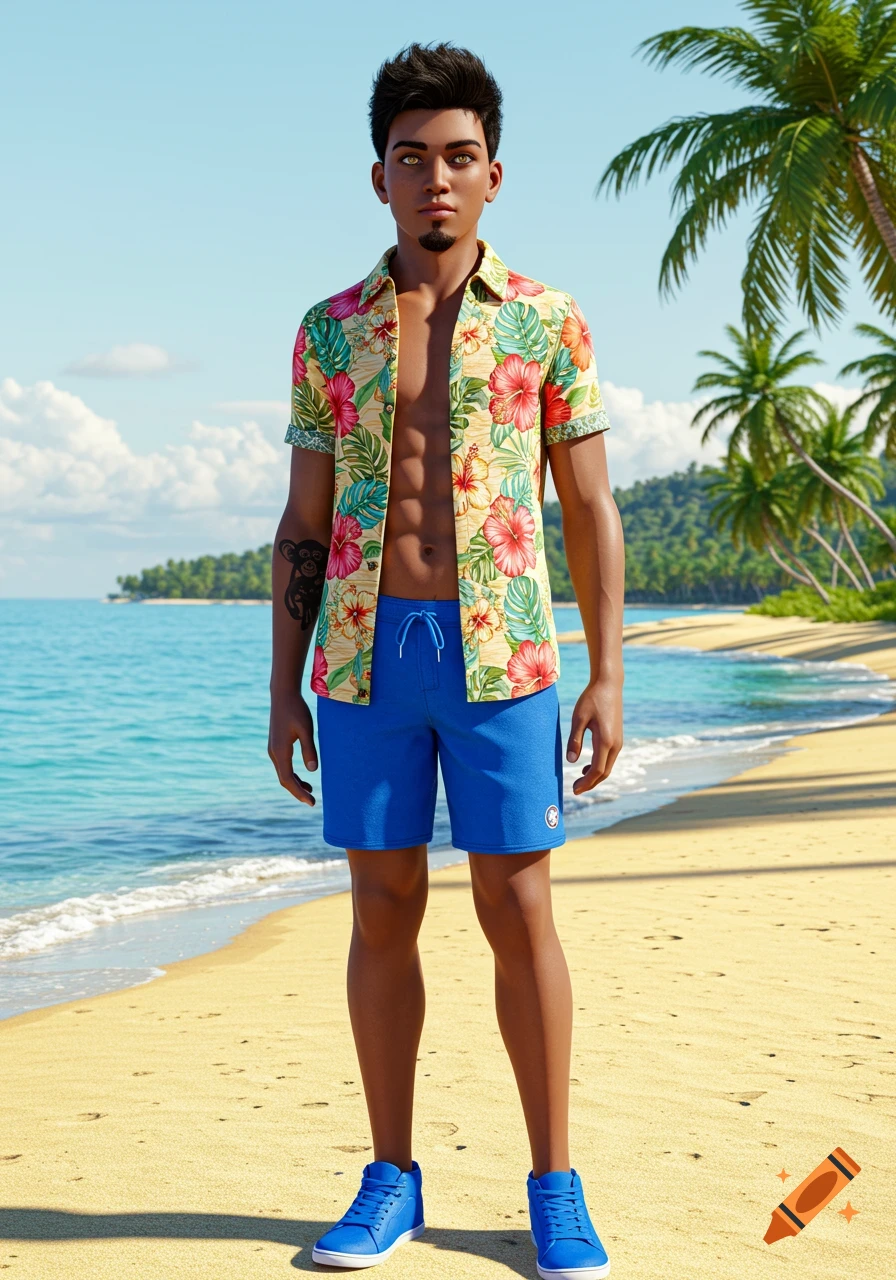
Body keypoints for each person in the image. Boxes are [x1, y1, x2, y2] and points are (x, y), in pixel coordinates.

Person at [268, 41, 624, 1279]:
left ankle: (552, 1184)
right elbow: (304, 526)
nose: (435, 180)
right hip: (366, 656)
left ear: (494, 174)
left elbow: (587, 509)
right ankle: (391, 1178)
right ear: (378, 177)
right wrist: (282, 688)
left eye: (457, 159)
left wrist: (607, 671)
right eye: (411, 158)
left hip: (504, 653)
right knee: (381, 909)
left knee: (517, 909)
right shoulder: (329, 332)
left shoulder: (545, 320)